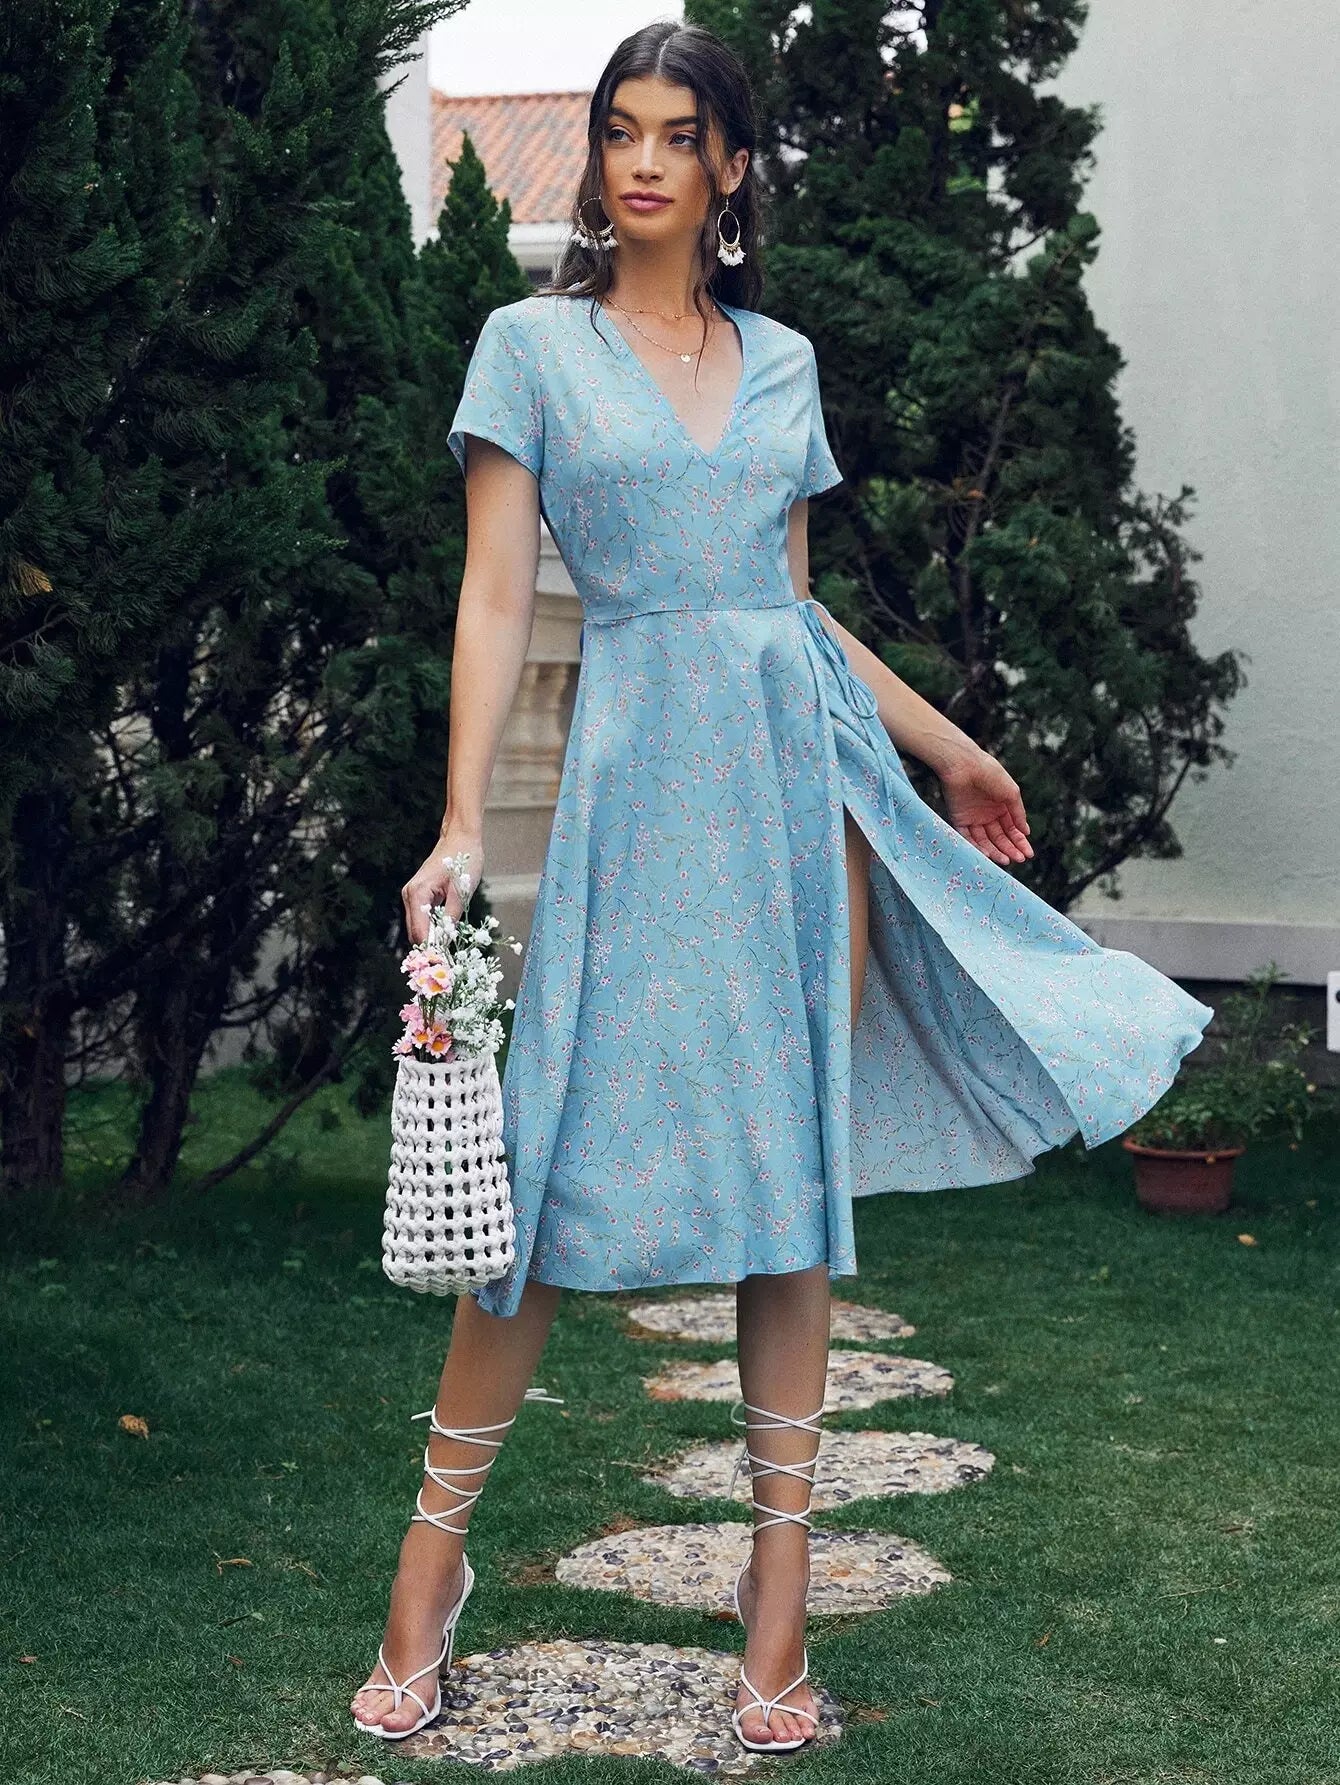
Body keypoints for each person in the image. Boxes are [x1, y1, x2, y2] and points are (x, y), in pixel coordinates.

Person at [351, 20, 1214, 1754]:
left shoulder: (786, 365)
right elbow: (496, 598)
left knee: (788, 1190)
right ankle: (426, 1573)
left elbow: (792, 612)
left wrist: (948, 745)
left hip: (789, 811)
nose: (642, 161)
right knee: (542, 1187)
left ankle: (779, 1606)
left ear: (734, 168)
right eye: (621, 129)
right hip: (627, 805)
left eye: (680, 134)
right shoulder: (531, 347)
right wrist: (460, 823)